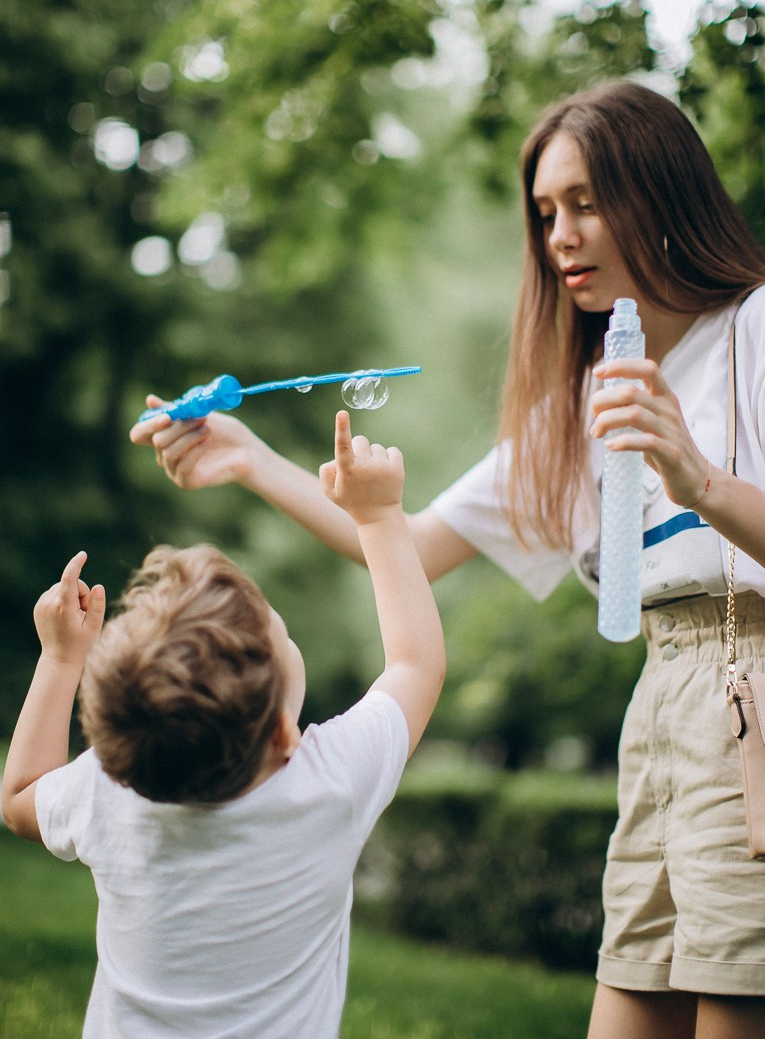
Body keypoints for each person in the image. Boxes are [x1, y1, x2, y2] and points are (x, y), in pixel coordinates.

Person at [130, 80, 765, 1039]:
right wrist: (250, 458)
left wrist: (701, 482)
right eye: (544, 213)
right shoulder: (578, 407)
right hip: (657, 717)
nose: (560, 236)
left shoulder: (764, 328)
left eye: (586, 201)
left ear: (661, 193)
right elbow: (403, 544)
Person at [2, 410, 445, 1039]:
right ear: (283, 736)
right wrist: (377, 517)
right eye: (283, 636)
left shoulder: (108, 789)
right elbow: (416, 661)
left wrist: (61, 657)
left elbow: (20, 797)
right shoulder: (328, 784)